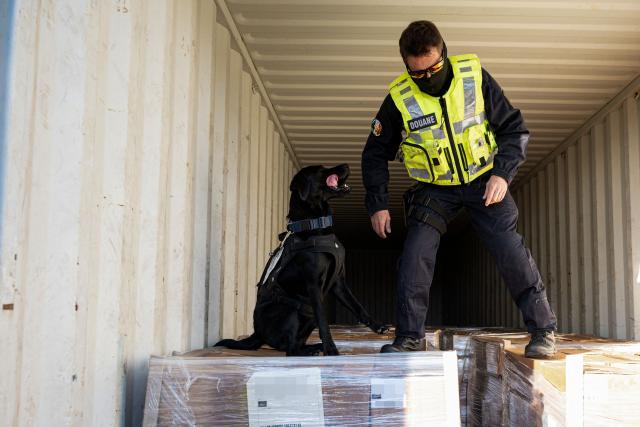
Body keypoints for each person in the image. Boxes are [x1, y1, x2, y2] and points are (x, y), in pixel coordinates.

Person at [361, 20, 557, 358]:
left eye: (433, 68)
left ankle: (543, 331)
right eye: (417, 73)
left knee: (509, 250)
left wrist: (502, 174)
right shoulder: (399, 97)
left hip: (484, 180)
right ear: (407, 66)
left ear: (444, 55)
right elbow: (375, 153)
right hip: (435, 189)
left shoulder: (474, 77)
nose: (427, 79)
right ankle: (408, 337)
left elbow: (514, 129)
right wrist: (377, 204)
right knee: (415, 256)